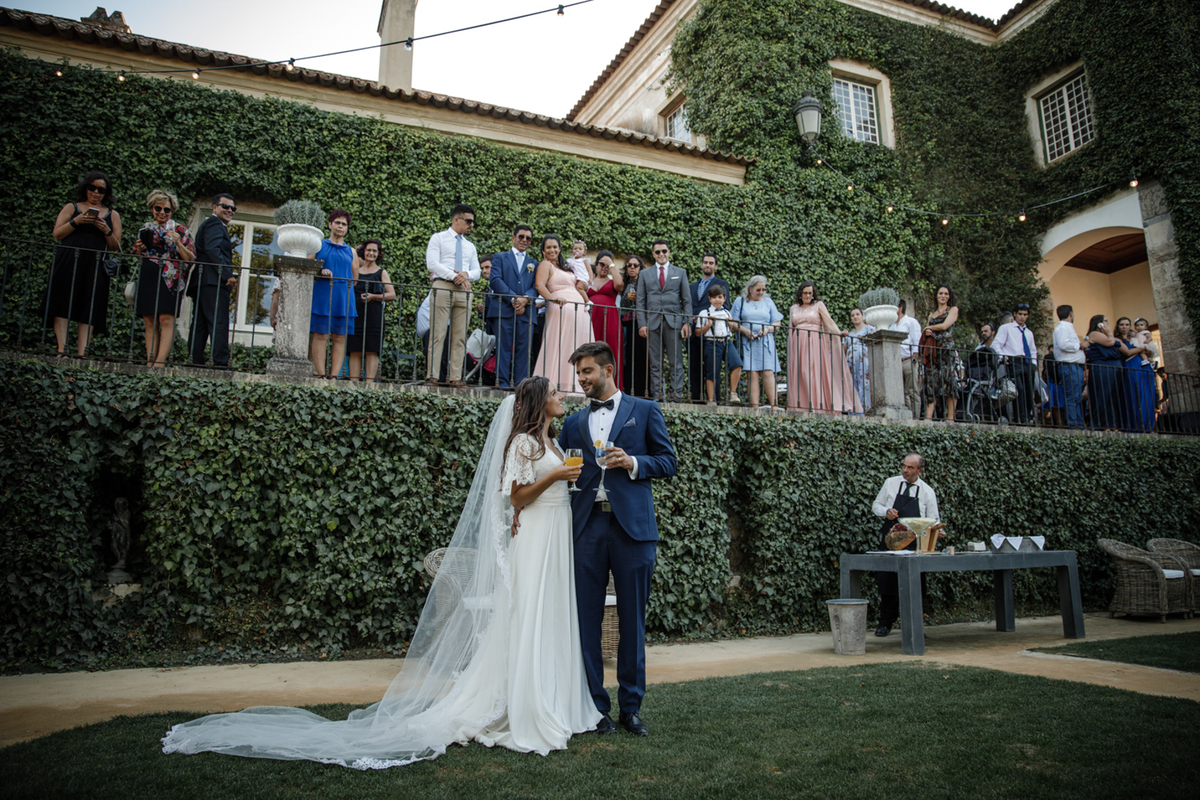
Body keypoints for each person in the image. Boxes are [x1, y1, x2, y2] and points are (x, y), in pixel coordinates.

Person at [163, 377, 602, 765]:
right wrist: (555, 478)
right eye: (554, 392)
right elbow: (516, 497)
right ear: (538, 401)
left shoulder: (552, 441)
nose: (561, 396)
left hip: (554, 534)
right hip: (535, 539)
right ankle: (525, 704)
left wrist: (561, 476)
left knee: (550, 614)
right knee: (528, 614)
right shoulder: (523, 443)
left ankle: (555, 698)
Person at [558, 341, 678, 736]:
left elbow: (669, 461)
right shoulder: (572, 422)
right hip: (586, 528)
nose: (581, 379)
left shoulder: (645, 410)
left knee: (632, 620)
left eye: (587, 371)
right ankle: (595, 708)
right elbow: (565, 473)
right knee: (586, 622)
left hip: (633, 530)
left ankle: (631, 708)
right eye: (579, 372)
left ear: (608, 370)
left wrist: (633, 462)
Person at [46, 171, 123, 357]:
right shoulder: (71, 207)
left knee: (90, 303)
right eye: (92, 188)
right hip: (69, 260)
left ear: (106, 193)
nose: (96, 193)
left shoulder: (113, 215)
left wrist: (106, 230)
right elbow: (57, 234)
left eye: (101, 190)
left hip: (95, 264)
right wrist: (76, 221)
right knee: (62, 300)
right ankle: (62, 349)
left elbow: (115, 246)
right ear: (85, 188)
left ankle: (83, 352)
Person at [871, 453, 940, 638]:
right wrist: (886, 511)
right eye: (904, 466)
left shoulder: (927, 492)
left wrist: (937, 529)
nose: (905, 470)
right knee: (887, 582)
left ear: (920, 470)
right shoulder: (890, 483)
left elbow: (933, 519)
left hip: (915, 543)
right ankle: (885, 623)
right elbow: (876, 505)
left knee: (915, 584)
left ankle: (915, 626)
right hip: (891, 540)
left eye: (910, 468)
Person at [131, 189, 193, 367]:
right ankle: (150, 361)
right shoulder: (145, 229)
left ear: (172, 210)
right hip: (149, 274)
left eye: (167, 210)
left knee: (166, 318)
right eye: (158, 208)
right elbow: (137, 255)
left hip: (171, 278)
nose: (162, 213)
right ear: (152, 208)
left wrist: (178, 242)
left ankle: (159, 363)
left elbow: (190, 258)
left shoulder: (180, 230)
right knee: (149, 319)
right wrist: (139, 249)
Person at [787, 281, 862, 415]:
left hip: (814, 342)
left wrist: (838, 332)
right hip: (798, 344)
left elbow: (829, 321)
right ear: (800, 294)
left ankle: (816, 405)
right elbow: (791, 328)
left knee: (812, 372)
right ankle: (802, 405)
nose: (808, 295)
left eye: (810, 293)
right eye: (805, 293)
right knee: (801, 373)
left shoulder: (818, 305)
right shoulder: (793, 308)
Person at [426, 204, 480, 388]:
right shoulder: (438, 238)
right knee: (437, 333)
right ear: (456, 219)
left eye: (473, 222)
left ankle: (455, 377)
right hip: (443, 285)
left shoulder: (470, 246)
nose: (471, 225)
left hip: (463, 289)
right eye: (469, 221)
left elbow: (477, 271)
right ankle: (433, 376)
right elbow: (432, 263)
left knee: (460, 336)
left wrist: (466, 275)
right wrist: (454, 275)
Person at [534, 235, 592, 393]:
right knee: (561, 345)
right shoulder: (545, 265)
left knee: (577, 346)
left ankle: (578, 384)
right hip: (561, 309)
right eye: (548, 247)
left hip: (579, 311)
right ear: (543, 251)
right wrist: (552, 299)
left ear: (559, 249)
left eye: (555, 247)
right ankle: (559, 385)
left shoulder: (566, 267)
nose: (552, 250)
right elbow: (539, 285)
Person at [636, 240, 691, 403]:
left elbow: (686, 300)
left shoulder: (680, 272)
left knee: (676, 361)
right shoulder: (645, 274)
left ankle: (676, 396)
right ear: (653, 254)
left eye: (664, 251)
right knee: (655, 363)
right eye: (658, 252)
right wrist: (642, 323)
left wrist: (687, 322)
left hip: (674, 321)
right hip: (652, 322)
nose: (661, 254)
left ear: (669, 252)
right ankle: (658, 396)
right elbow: (640, 301)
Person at [309, 210, 359, 379]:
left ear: (347, 228)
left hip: (343, 298)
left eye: (344, 224)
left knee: (340, 337)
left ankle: (334, 377)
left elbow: (355, 279)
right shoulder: (317, 246)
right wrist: (320, 271)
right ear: (330, 224)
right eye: (337, 222)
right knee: (321, 334)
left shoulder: (352, 252)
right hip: (322, 295)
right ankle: (321, 375)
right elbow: (307, 269)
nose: (340, 226)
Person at [189, 193, 237, 367]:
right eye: (225, 206)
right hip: (213, 280)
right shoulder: (215, 224)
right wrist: (227, 274)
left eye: (233, 208)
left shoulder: (211, 224)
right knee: (219, 321)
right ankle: (220, 363)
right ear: (214, 207)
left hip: (204, 280)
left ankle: (195, 360)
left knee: (200, 323)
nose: (230, 210)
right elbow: (212, 249)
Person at [491, 225, 540, 389]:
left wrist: (525, 299)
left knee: (524, 349)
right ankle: (502, 383)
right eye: (521, 236)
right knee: (503, 347)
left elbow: (536, 286)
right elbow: (495, 280)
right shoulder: (500, 257)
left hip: (526, 311)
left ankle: (520, 384)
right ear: (513, 238)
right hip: (504, 309)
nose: (524, 240)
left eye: (528, 238)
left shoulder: (534, 263)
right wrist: (513, 298)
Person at [687, 254, 734, 402]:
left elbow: (724, 307)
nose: (708, 265)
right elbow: (688, 305)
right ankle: (697, 399)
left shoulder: (722, 284)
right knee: (695, 366)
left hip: (712, 332)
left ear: (716, 266)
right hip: (695, 331)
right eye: (705, 262)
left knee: (713, 368)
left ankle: (714, 400)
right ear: (702, 265)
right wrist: (691, 319)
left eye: (711, 263)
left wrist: (708, 318)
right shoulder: (692, 286)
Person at [731, 275, 782, 409]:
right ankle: (755, 408)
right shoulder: (740, 301)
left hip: (765, 341)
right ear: (750, 289)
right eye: (758, 290)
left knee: (768, 372)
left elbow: (777, 322)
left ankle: (774, 406)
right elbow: (733, 322)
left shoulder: (768, 302)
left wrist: (767, 329)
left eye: (763, 290)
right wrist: (744, 331)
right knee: (752, 373)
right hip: (747, 341)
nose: (761, 293)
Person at [347, 239, 393, 382]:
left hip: (374, 316)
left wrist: (374, 296)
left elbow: (392, 294)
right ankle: (353, 384)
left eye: (374, 251)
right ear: (363, 252)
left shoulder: (381, 272)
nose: (371, 253)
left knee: (372, 350)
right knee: (354, 349)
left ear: (378, 254)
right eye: (369, 250)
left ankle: (370, 384)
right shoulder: (356, 272)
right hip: (356, 315)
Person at [991, 303, 1037, 423]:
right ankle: (1019, 418)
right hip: (1013, 361)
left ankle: (1028, 418)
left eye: (1025, 315)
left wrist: (1034, 364)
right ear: (1015, 314)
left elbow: (1033, 350)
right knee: (1018, 389)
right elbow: (996, 344)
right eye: (1020, 314)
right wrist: (1002, 357)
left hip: (1026, 362)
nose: (1022, 317)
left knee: (1029, 390)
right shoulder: (1006, 328)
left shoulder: (1029, 332)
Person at [920, 285, 960, 422]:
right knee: (931, 381)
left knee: (949, 381)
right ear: (936, 295)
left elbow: (944, 326)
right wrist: (927, 331)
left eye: (946, 294)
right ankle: (928, 417)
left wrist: (929, 327)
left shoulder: (953, 310)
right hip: (933, 350)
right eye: (940, 293)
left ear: (949, 296)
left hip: (946, 350)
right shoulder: (932, 314)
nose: (943, 296)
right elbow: (928, 330)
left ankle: (950, 418)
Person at [695, 285, 740, 404]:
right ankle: (711, 400)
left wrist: (731, 325)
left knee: (737, 364)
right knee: (712, 372)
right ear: (710, 299)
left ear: (724, 298)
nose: (717, 300)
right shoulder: (704, 312)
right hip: (712, 342)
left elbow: (729, 329)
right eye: (714, 297)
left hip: (726, 341)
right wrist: (709, 324)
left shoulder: (726, 312)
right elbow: (698, 332)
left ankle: (733, 393)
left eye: (720, 297)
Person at [587, 250, 624, 387]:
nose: (604, 267)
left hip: (610, 319)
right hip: (591, 318)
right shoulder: (588, 280)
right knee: (590, 350)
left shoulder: (613, 281)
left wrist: (612, 265)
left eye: (607, 265)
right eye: (602, 264)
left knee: (611, 350)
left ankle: (612, 385)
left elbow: (619, 286)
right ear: (596, 265)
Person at [1115, 316, 1153, 432]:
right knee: (1134, 395)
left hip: (1143, 365)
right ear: (1118, 326)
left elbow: (1148, 350)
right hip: (1130, 365)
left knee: (1147, 395)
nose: (1124, 327)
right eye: (1122, 324)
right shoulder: (1117, 339)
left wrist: (1146, 349)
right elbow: (1127, 352)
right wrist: (1142, 348)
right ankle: (1136, 425)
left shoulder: (1135, 336)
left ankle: (1148, 425)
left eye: (1127, 324)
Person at [1052, 305, 1086, 429]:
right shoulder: (1063, 328)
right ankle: (1074, 424)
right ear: (1071, 314)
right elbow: (1063, 344)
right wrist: (1079, 346)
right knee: (1072, 396)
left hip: (1073, 366)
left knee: (1076, 396)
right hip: (1069, 366)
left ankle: (1077, 422)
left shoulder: (1065, 327)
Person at [1085, 314, 1122, 429]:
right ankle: (1100, 424)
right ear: (1099, 324)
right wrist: (1109, 332)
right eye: (1105, 321)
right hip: (1103, 368)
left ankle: (1112, 424)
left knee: (1112, 397)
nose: (1107, 323)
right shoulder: (1094, 334)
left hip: (1113, 368)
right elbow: (1109, 342)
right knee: (1103, 395)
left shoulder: (1106, 335)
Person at [620, 255, 649, 399]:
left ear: (640, 268)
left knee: (640, 357)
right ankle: (626, 388)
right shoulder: (623, 283)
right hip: (624, 323)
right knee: (626, 357)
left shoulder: (644, 283)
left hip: (639, 323)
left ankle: (640, 391)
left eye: (635, 265)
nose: (632, 268)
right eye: (629, 265)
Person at [888, 300, 922, 415]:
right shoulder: (891, 326)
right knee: (900, 392)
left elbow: (917, 340)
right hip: (896, 361)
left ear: (900, 308)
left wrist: (914, 358)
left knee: (912, 390)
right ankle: (905, 415)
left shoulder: (911, 322)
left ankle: (915, 417)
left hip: (908, 359)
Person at [842, 307, 875, 412]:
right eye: (852, 315)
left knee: (864, 383)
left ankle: (864, 409)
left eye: (857, 314)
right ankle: (853, 409)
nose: (855, 317)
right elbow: (844, 349)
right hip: (851, 363)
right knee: (852, 384)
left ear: (862, 316)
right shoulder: (850, 334)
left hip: (863, 362)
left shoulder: (869, 329)